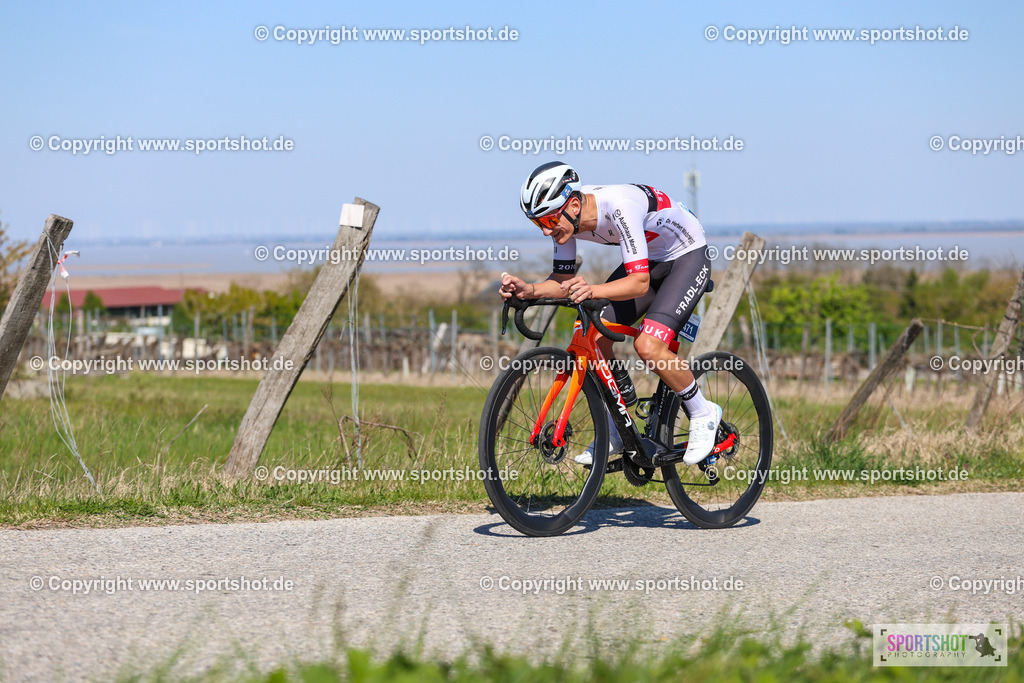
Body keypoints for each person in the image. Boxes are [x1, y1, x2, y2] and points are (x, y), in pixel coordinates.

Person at [498, 161, 720, 467]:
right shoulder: (567, 222)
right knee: (594, 332)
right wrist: (529, 290)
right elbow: (562, 281)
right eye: (539, 224)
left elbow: (639, 283)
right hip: (651, 259)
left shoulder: (620, 208)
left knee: (648, 346)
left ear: (573, 205)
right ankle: (619, 425)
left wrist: (592, 290)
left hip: (686, 256)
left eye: (549, 220)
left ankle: (703, 412)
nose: (547, 230)